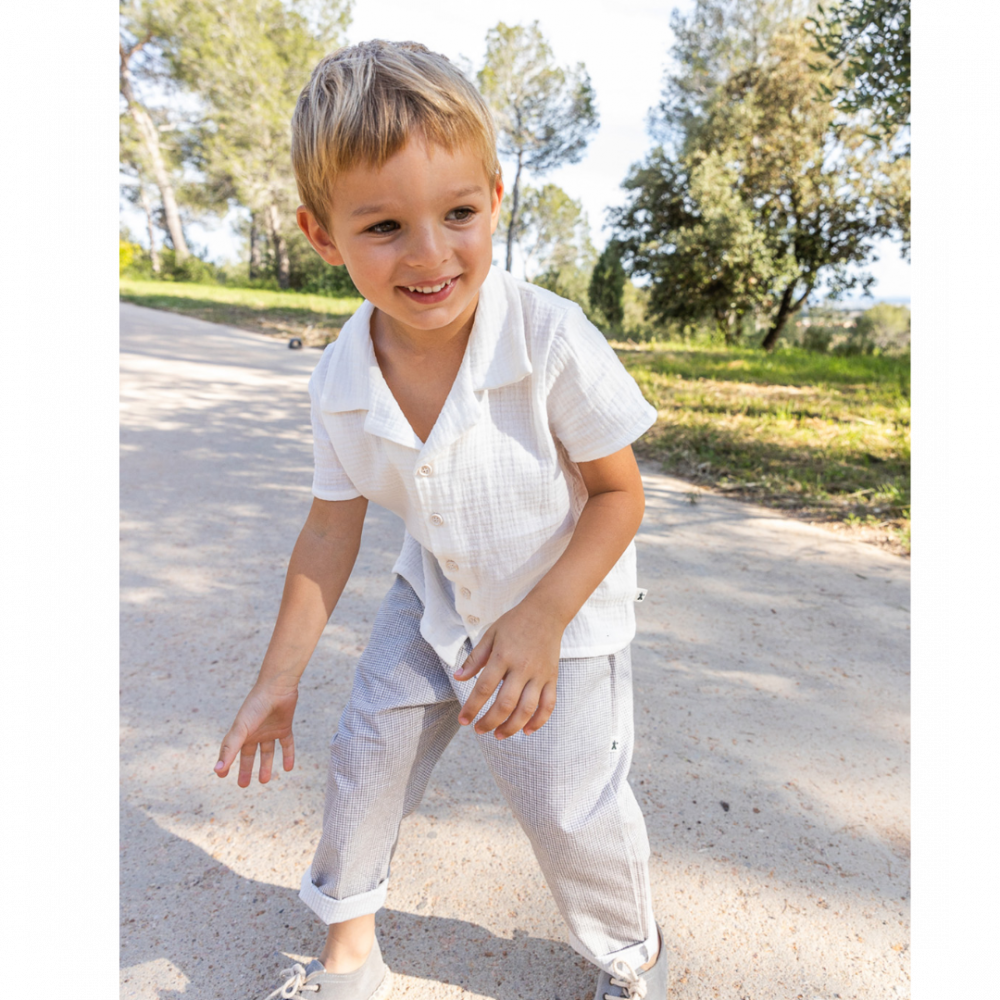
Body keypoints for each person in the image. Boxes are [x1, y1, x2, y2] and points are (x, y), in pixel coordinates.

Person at [214, 39, 667, 1000]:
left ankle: (632, 960)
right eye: (384, 226)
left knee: (566, 809)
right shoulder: (340, 380)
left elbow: (619, 495)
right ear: (322, 235)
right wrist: (277, 681)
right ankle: (349, 956)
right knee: (366, 751)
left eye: (458, 214)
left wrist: (541, 619)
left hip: (564, 616)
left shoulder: (549, 336)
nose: (429, 255)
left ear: (495, 200)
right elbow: (329, 533)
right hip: (435, 600)